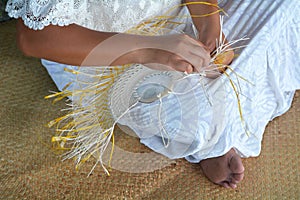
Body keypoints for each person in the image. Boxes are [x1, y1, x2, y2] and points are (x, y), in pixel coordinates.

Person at [6, 0, 300, 189]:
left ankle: (218, 124)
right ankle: (209, 142)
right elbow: (33, 38)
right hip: (103, 53)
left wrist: (209, 25)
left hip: (174, 17)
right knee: (185, 109)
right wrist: (148, 50)